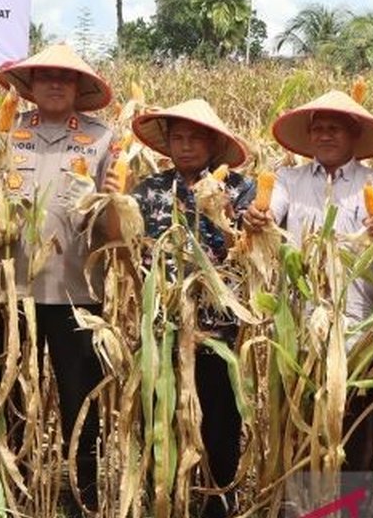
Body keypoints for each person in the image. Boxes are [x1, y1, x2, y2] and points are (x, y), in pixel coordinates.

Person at [0, 43, 119, 515]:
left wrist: (103, 202)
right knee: (11, 398)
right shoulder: (6, 131)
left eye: (64, 77)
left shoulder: (102, 139)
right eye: (44, 75)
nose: (53, 83)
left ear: (78, 88)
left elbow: (119, 230)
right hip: (10, 291)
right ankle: (13, 487)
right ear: (28, 86)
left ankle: (82, 494)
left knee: (80, 402)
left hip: (76, 295)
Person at [244, 89, 373, 473]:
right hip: (298, 325)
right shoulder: (288, 179)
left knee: (354, 432)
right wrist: (258, 217)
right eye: (319, 129)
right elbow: (270, 210)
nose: (325, 135)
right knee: (299, 425)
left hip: (358, 328)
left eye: (335, 128)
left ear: (353, 135)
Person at [130, 98, 252, 518]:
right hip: (162, 320)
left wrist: (221, 214)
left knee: (220, 415)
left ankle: (219, 499)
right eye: (176, 138)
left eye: (194, 138)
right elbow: (126, 241)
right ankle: (161, 497)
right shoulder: (148, 189)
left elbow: (247, 250)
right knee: (160, 415)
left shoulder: (240, 188)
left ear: (213, 143)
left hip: (219, 323)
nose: (184, 146)